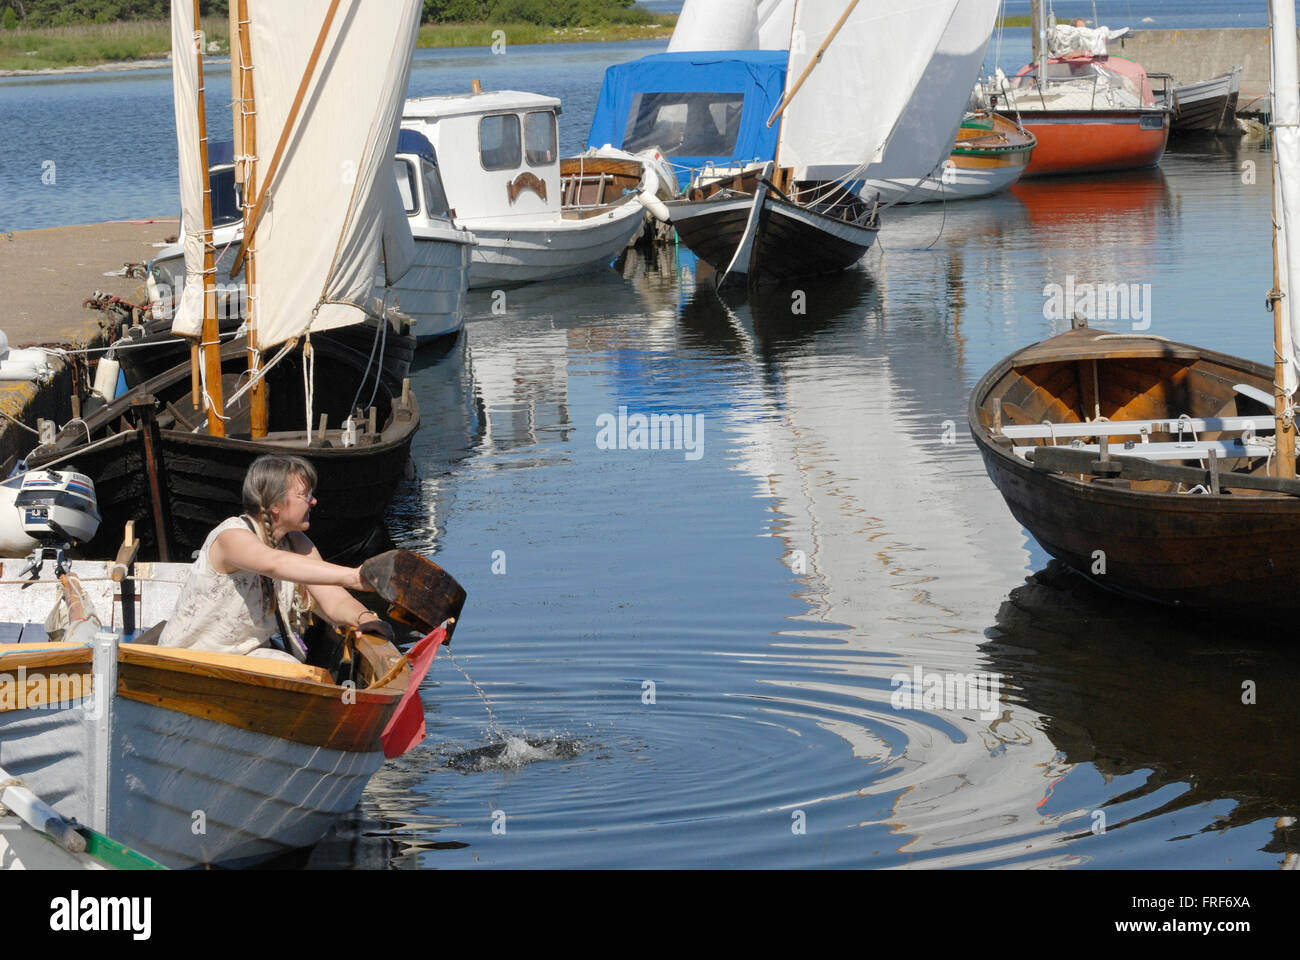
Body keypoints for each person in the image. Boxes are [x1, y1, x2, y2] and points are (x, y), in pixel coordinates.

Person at [158, 454, 392, 662]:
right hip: (186, 658)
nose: (313, 501)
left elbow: (333, 599)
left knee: (293, 668)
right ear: (275, 504)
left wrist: (364, 618)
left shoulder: (297, 542)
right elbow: (274, 563)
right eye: (305, 495)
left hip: (246, 654)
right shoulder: (232, 536)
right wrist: (353, 576)